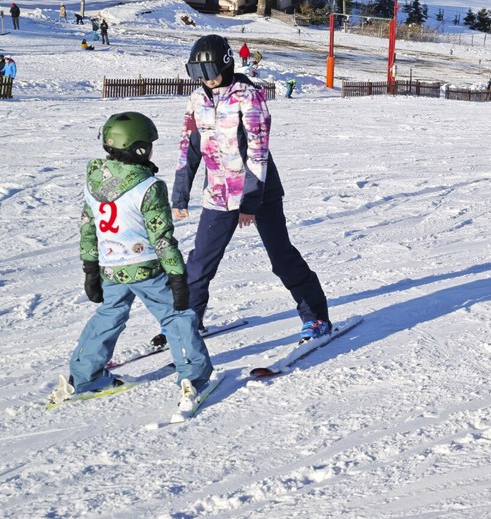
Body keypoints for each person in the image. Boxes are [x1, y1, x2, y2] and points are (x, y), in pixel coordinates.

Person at [169, 34, 330, 343]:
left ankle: (316, 317)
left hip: (260, 192)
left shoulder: (248, 95)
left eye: (209, 71)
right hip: (218, 192)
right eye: (197, 74)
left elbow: (257, 150)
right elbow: (188, 149)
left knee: (281, 257)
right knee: (200, 263)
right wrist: (180, 193)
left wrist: (250, 203)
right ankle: (188, 320)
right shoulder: (197, 99)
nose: (205, 80)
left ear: (226, 65)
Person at [47, 112, 213, 411]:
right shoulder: (149, 186)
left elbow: (87, 226)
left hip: (111, 266)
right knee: (176, 315)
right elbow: (161, 237)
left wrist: (90, 268)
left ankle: (84, 377)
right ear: (138, 148)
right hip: (145, 265)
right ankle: (194, 379)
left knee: (109, 315)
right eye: (148, 144)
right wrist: (177, 277)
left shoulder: (93, 182)